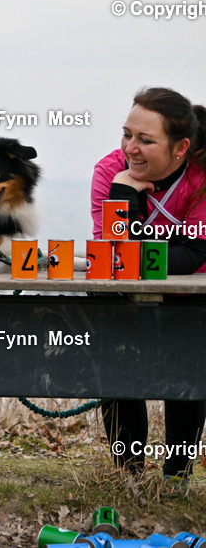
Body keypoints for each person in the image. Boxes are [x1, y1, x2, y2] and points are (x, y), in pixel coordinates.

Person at [90, 87, 206, 487]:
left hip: (191, 298)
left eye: (145, 139)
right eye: (127, 134)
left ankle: (176, 479)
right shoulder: (109, 172)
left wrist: (131, 232)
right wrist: (124, 194)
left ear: (180, 147)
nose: (131, 148)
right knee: (119, 375)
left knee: (188, 379)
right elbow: (114, 261)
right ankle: (130, 477)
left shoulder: (201, 176)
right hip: (121, 299)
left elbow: (192, 256)